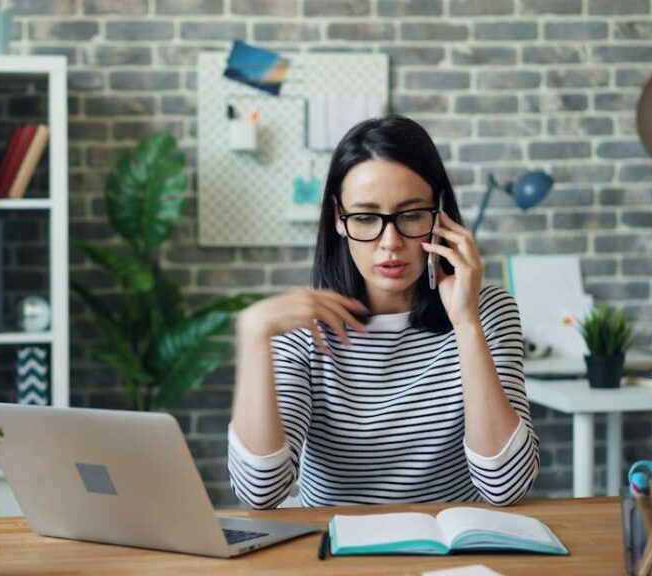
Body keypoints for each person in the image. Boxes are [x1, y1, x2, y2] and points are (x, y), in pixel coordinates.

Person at [228, 115, 539, 509]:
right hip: (335, 556)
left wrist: (465, 322)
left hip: (453, 554)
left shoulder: (488, 312)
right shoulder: (300, 327)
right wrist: (254, 336)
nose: (389, 243)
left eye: (410, 215)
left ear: (439, 214)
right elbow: (260, 493)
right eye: (365, 218)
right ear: (339, 219)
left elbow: (506, 487)